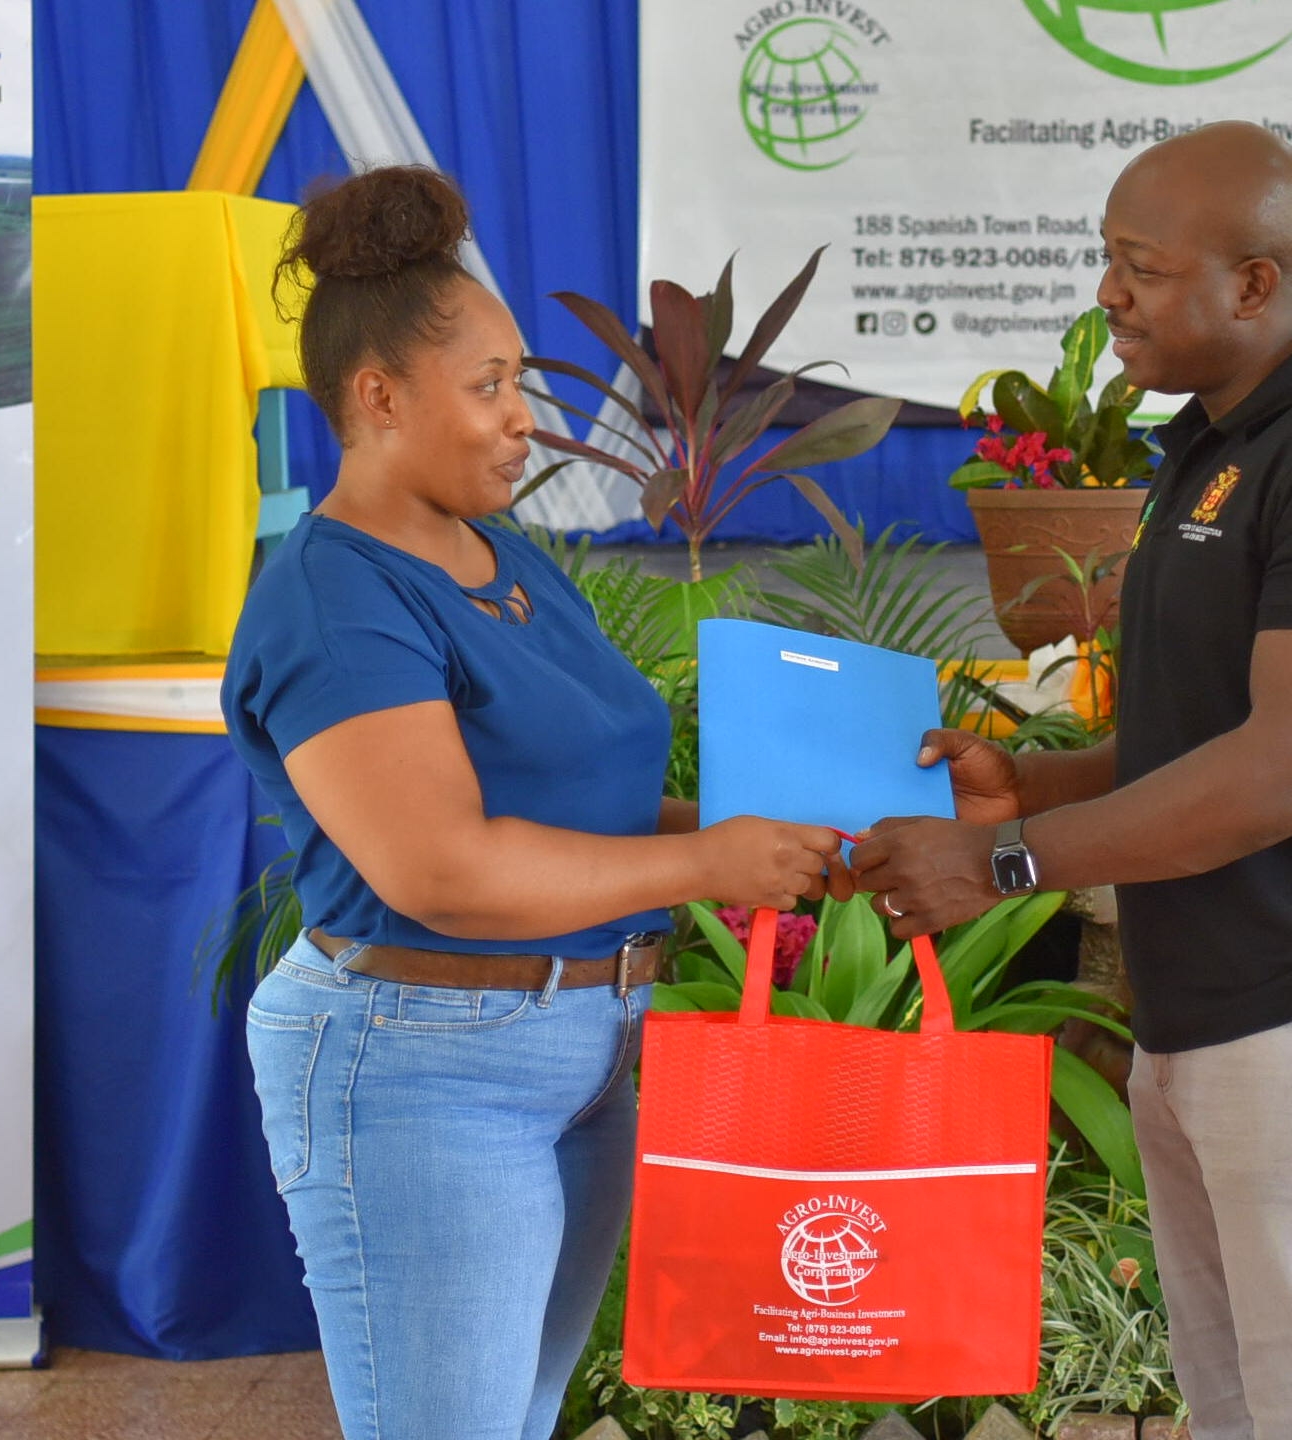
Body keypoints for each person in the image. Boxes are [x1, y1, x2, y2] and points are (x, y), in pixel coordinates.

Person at [850, 122, 1292, 1439]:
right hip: (1209, 1006)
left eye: (1139, 266)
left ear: (1255, 284)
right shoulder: (1212, 442)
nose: (1108, 297)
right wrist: (1025, 785)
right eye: (1107, 260)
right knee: (1239, 1411)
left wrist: (1003, 866)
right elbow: (1201, 734)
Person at [222, 165, 847, 1440]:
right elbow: (440, 868)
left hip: (582, 1050)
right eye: (490, 387)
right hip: (418, 1066)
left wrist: (787, 839)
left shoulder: (504, 557)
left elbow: (598, 806)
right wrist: (706, 866)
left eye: (525, 384)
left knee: (515, 1420)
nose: (526, 420)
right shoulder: (333, 595)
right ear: (377, 396)